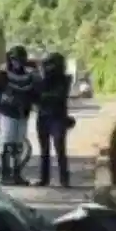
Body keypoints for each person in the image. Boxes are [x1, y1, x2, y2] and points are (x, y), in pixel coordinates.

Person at [0, 45, 37, 186]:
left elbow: (32, 94)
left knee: (18, 145)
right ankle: (5, 175)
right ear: (10, 60)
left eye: (20, 60)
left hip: (22, 114)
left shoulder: (29, 76)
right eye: (15, 60)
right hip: (7, 113)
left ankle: (17, 174)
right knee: (6, 143)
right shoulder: (3, 75)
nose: (18, 63)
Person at [35, 51, 73, 188]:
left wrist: (44, 96)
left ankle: (64, 179)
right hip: (44, 117)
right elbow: (37, 96)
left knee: (60, 149)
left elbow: (59, 96)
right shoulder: (43, 79)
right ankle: (44, 179)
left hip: (57, 117)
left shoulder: (65, 79)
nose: (47, 68)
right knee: (44, 151)